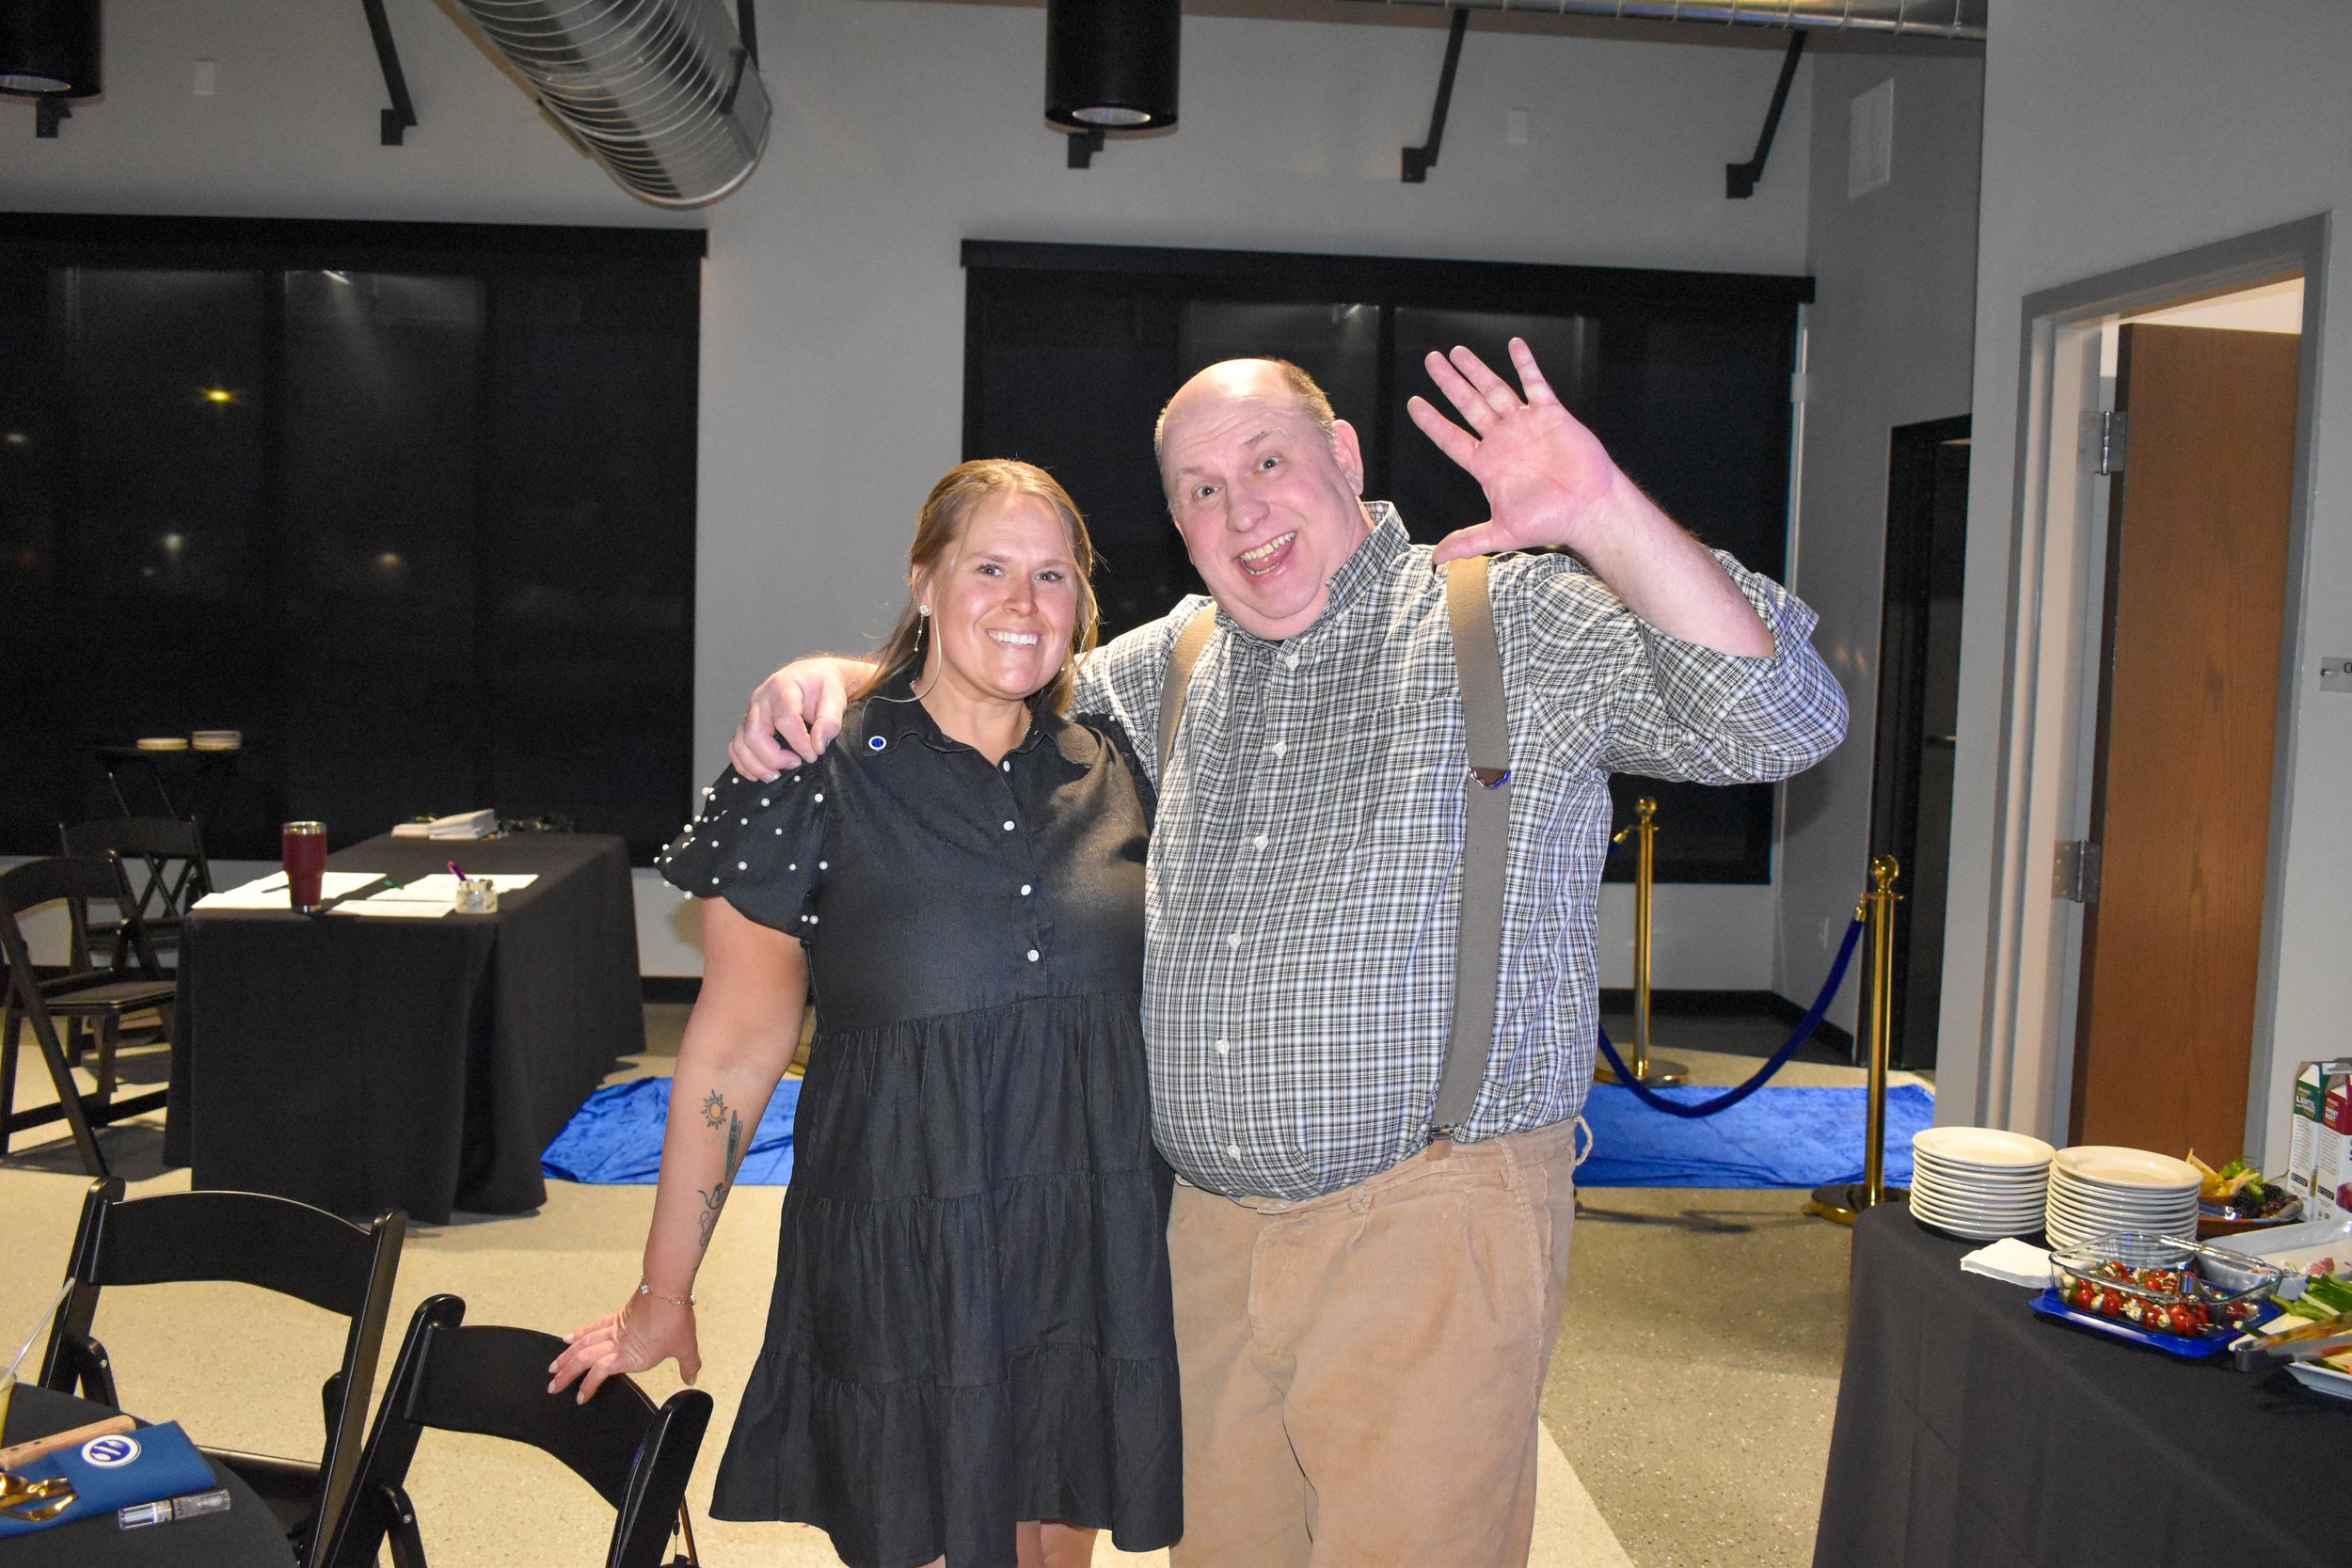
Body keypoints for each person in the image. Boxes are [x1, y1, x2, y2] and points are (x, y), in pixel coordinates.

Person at [729, 341, 1848, 1568]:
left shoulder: (1509, 617)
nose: (1240, 507)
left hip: (1430, 1223)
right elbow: (996, 683)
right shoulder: (1175, 660)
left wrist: (1604, 513)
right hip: (1201, 1240)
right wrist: (832, 675)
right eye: (1199, 489)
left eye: (1267, 460)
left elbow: (1780, 717)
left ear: (1347, 459)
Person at [550, 460, 1183, 1568]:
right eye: (988, 566)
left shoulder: (1118, 759)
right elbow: (734, 1048)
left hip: (1084, 1240)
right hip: (906, 1240)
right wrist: (663, 1289)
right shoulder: (812, 769)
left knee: (1050, 1542)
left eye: (1052, 575)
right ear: (924, 581)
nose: (1023, 602)